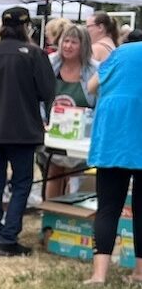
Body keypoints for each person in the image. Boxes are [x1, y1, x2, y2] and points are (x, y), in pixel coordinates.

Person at [0, 7, 54, 257]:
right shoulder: (34, 54)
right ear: (27, 27)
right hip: (24, 129)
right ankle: (8, 236)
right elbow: (47, 91)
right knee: (22, 182)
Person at [85, 32, 142, 284]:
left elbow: (91, 86)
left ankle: (99, 275)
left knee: (108, 208)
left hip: (114, 139)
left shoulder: (120, 53)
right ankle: (139, 273)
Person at [43, 25, 98, 199]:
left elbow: (99, 103)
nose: (68, 46)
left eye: (74, 42)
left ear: (84, 46)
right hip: (52, 131)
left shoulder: (95, 70)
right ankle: (51, 213)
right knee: (53, 173)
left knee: (75, 178)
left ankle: (69, 219)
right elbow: (37, 96)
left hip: (82, 136)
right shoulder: (49, 64)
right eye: (65, 41)